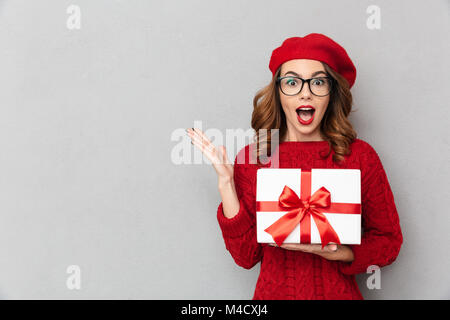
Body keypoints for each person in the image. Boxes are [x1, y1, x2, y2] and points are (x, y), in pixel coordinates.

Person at [186, 33, 403, 300]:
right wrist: (226, 184)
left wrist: (341, 253)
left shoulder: (360, 156)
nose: (305, 93)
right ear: (277, 92)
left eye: (318, 82)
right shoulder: (254, 159)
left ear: (332, 92)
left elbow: (388, 242)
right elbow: (246, 257)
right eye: (292, 82)